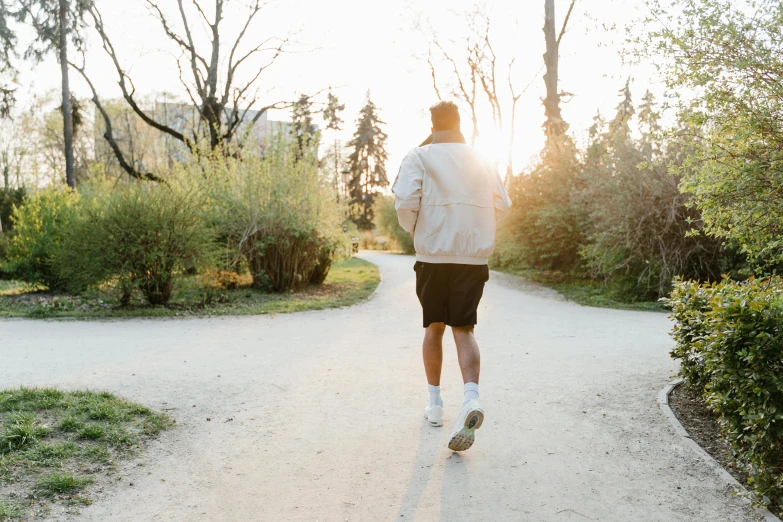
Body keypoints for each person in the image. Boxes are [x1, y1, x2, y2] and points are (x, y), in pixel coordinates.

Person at [392, 101, 512, 452]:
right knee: (464, 328)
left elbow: (403, 201)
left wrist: (416, 230)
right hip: (472, 259)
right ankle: (471, 398)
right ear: (460, 123)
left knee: (434, 326)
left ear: (433, 123)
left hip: (432, 256)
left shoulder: (419, 156)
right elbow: (502, 204)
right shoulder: (481, 158)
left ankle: (435, 405)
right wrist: (476, 226)